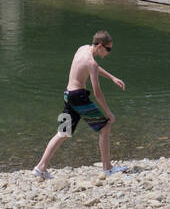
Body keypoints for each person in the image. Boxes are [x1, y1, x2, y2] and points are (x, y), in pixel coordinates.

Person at [33, 31, 127, 178]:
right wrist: (109, 112)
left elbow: (92, 68)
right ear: (100, 46)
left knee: (62, 132)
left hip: (68, 95)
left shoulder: (82, 49)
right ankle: (107, 168)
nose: (109, 52)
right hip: (78, 97)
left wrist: (112, 77)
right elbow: (97, 93)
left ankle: (40, 167)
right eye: (108, 49)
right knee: (105, 126)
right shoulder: (92, 62)